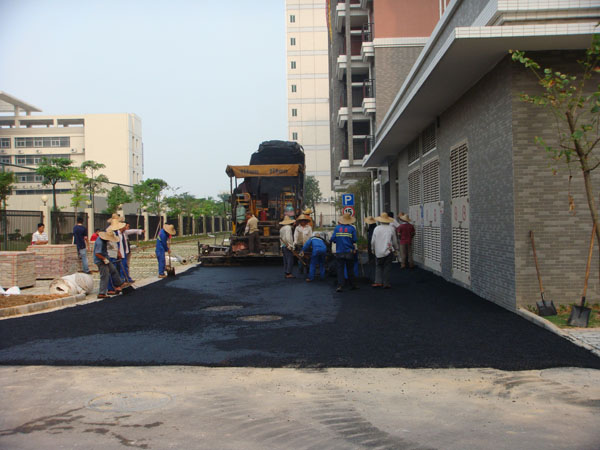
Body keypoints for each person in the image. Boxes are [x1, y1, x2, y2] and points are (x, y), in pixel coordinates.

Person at [94, 231, 127, 299]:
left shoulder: (104, 241)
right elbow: (97, 253)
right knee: (105, 276)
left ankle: (120, 283)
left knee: (113, 270)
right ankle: (102, 293)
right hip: (100, 261)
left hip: (106, 258)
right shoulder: (100, 242)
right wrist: (104, 259)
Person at [330, 213, 358, 292]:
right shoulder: (352, 228)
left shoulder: (337, 228)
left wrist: (337, 241)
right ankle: (352, 285)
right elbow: (354, 240)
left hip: (339, 251)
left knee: (340, 269)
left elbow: (332, 239)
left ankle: (340, 286)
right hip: (349, 251)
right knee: (350, 269)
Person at [371, 212, 399, 288]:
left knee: (378, 266)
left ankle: (378, 282)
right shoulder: (391, 229)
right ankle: (386, 283)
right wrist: (396, 249)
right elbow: (394, 241)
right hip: (388, 250)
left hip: (378, 251)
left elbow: (373, 241)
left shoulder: (376, 229)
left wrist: (372, 249)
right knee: (387, 267)